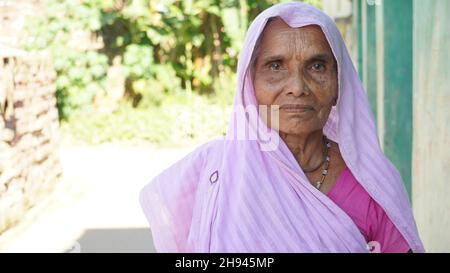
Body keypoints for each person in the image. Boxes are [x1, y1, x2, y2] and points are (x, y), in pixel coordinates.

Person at [139, 2, 424, 253]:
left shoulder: (372, 183)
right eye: (275, 66)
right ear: (250, 84)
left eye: (317, 66)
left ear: (339, 83)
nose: (297, 88)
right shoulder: (214, 171)